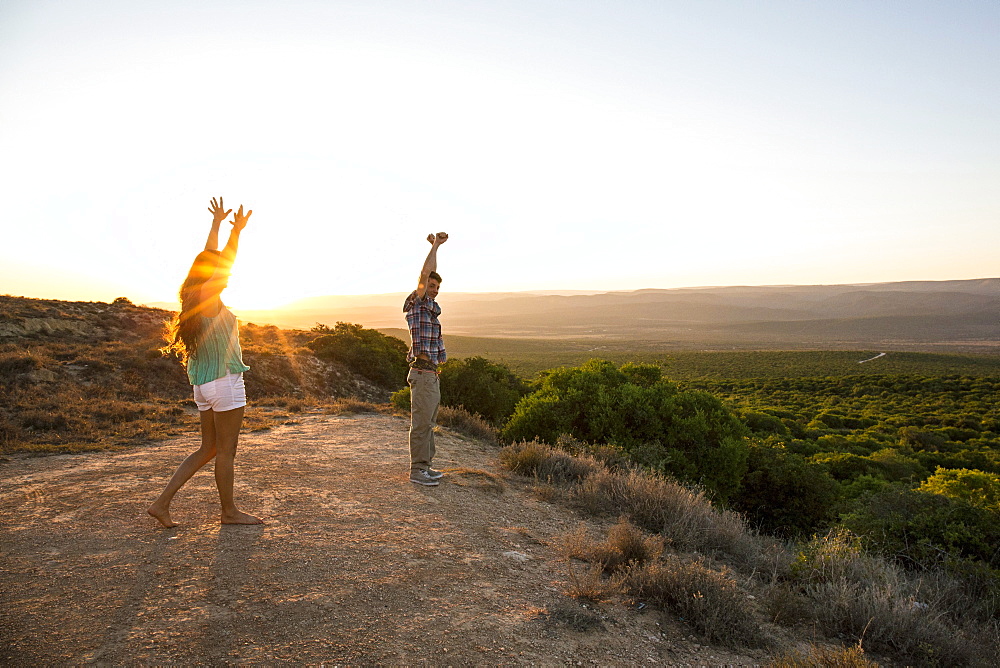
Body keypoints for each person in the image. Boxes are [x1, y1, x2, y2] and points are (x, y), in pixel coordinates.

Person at [148, 197, 262, 527]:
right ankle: (229, 512)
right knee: (225, 451)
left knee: (208, 448)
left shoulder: (193, 296)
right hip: (224, 382)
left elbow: (209, 259)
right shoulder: (209, 297)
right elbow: (224, 261)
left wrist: (217, 226)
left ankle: (162, 503)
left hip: (202, 384)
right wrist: (236, 233)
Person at [403, 232, 449, 486]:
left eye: (437, 287)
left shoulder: (430, 308)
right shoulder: (417, 303)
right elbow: (425, 273)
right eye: (431, 286)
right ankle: (417, 470)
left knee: (428, 423)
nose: (435, 290)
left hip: (430, 374)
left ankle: (425, 466)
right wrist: (435, 247)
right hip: (421, 373)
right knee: (421, 424)